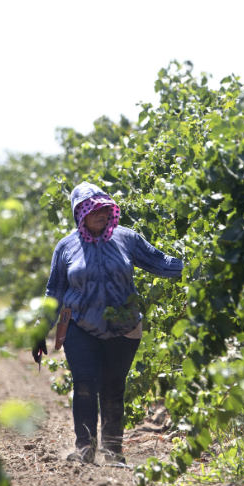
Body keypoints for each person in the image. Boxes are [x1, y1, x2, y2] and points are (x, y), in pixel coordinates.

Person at [33, 181, 183, 465]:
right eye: (95, 210)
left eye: (106, 209)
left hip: (124, 327)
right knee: (85, 384)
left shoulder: (127, 238)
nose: (102, 215)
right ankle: (85, 447)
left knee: (114, 387)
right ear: (81, 214)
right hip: (80, 326)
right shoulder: (66, 247)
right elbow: (54, 291)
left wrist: (200, 267)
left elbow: (160, 262)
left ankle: (113, 450)